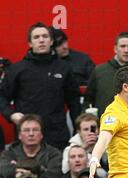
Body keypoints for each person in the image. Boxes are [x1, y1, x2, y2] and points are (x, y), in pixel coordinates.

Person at [0, 22, 81, 150]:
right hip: (26, 137)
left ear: (51, 41)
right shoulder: (17, 69)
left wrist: (78, 131)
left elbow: (74, 101)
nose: (41, 40)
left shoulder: (64, 68)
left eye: (45, 36)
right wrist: (11, 115)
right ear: (30, 43)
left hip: (57, 137)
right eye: (36, 37)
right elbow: (2, 97)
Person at [83, 32, 128, 119]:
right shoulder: (99, 71)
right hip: (103, 127)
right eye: (122, 46)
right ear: (115, 49)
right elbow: (88, 100)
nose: (126, 50)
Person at [0, 114, 62, 178]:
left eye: (35, 130)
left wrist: (22, 174)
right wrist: (40, 171)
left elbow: (53, 177)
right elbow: (5, 173)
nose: (31, 134)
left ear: (41, 134)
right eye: (26, 130)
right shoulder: (9, 153)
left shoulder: (54, 154)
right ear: (19, 135)